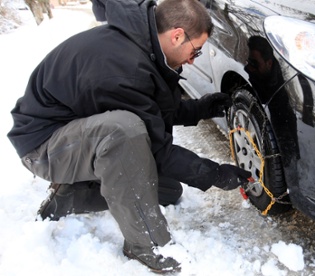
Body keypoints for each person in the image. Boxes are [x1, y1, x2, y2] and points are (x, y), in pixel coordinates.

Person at [7, 0, 251, 273]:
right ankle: (146, 246)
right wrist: (215, 174)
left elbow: (151, 108)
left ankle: (72, 195)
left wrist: (202, 108)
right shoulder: (126, 66)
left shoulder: (143, 46)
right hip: (45, 145)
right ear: (177, 35)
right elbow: (157, 147)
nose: (193, 61)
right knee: (123, 132)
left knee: (168, 190)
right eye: (195, 51)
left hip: (77, 134)